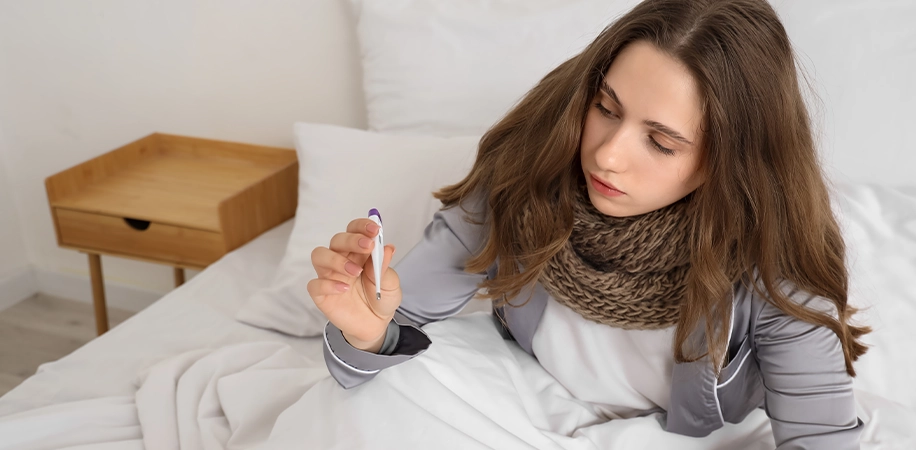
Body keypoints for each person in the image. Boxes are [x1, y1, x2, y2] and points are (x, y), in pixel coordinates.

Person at [307, 0, 873, 447]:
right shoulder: (526, 179)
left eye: (660, 141)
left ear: (733, 159)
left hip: (690, 439)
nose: (607, 155)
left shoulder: (776, 270)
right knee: (362, 408)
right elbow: (388, 336)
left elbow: (819, 438)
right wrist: (365, 330)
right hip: (530, 403)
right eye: (605, 108)